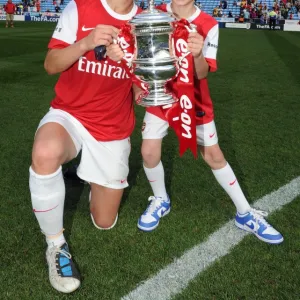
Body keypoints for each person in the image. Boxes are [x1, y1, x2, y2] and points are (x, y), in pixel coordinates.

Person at [136, 0, 283, 244]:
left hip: (194, 99)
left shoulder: (208, 23)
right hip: (160, 95)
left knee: (213, 155)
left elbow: (202, 73)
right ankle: (161, 200)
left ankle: (245, 213)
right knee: (148, 152)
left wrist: (197, 53)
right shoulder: (155, 14)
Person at [29, 0, 139, 293]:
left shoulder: (145, 22)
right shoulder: (81, 7)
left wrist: (131, 65)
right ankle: (56, 245)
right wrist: (86, 42)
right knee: (45, 153)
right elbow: (51, 64)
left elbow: (142, 90)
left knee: (104, 221)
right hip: (71, 115)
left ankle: (89, 173)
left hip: (112, 126)